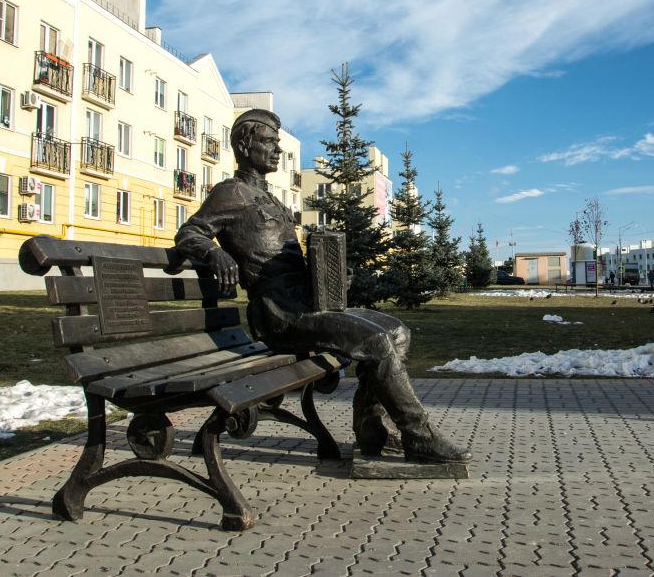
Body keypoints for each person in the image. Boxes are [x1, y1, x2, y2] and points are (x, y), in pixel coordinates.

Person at [174, 110, 470, 464]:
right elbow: (189, 232)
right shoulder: (231, 193)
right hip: (278, 312)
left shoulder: (272, 200)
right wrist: (213, 253)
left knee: (398, 331)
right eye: (269, 142)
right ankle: (419, 435)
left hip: (305, 301)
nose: (277, 150)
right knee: (375, 341)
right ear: (244, 144)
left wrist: (329, 274)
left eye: (277, 143)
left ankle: (369, 424)